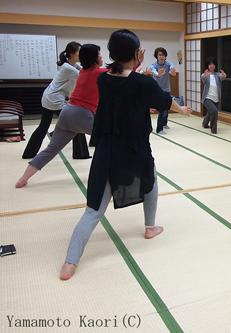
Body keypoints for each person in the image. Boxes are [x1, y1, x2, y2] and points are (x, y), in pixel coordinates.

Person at [59, 29, 191, 280]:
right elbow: (163, 99)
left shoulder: (104, 79)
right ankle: (150, 228)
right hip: (134, 150)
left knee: (94, 209)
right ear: (135, 53)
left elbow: (125, 81)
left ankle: (70, 262)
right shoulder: (143, 83)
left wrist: (135, 65)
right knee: (150, 181)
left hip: (107, 150)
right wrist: (182, 109)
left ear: (111, 54)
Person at [15, 44, 107, 188]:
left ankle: (23, 178)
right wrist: (135, 63)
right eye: (100, 55)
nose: (102, 57)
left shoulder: (82, 71)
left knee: (51, 149)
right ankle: (106, 174)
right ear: (94, 59)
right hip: (76, 112)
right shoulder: (95, 72)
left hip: (67, 112)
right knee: (109, 140)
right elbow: (122, 73)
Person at [22, 41, 90, 160]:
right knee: (76, 123)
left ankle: (29, 153)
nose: (81, 54)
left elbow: (84, 71)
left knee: (43, 127)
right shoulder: (70, 69)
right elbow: (85, 77)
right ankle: (80, 153)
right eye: (79, 51)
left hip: (49, 97)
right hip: (55, 100)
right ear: (71, 53)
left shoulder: (71, 66)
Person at [150, 47, 176, 134]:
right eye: (160, 55)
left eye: (163, 55)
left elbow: (172, 68)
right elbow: (154, 72)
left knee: (166, 108)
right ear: (156, 56)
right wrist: (158, 74)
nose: (161, 57)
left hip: (166, 89)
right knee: (162, 109)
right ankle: (159, 129)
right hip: (156, 90)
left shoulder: (168, 64)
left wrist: (172, 71)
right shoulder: (153, 66)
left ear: (165, 56)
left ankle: (164, 124)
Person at [201, 57, 226, 134]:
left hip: (216, 98)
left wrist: (224, 75)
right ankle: (213, 130)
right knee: (214, 111)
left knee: (210, 112)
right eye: (210, 64)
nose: (211, 66)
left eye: (213, 64)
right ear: (208, 66)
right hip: (207, 98)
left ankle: (204, 124)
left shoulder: (217, 75)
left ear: (215, 66)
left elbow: (223, 77)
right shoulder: (205, 75)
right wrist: (205, 75)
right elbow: (203, 78)